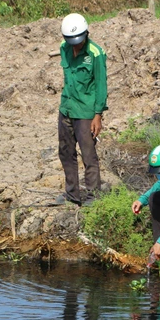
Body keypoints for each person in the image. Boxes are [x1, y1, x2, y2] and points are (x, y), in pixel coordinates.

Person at [56, 13, 108, 206]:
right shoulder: (64, 48)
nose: (75, 45)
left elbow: (101, 86)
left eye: (78, 40)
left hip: (86, 113)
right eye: (71, 41)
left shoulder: (96, 53)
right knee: (65, 151)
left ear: (86, 33)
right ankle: (72, 194)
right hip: (67, 108)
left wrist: (98, 115)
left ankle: (93, 195)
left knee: (88, 154)